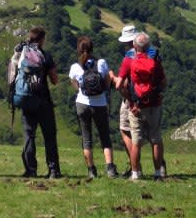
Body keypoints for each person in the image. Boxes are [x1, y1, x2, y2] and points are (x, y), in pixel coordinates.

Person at [115, 31, 167, 181]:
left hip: (136, 107)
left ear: (134, 45)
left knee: (136, 141)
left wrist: (130, 102)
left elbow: (119, 85)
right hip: (154, 105)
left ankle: (136, 174)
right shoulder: (155, 58)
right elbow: (164, 82)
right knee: (155, 140)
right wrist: (157, 93)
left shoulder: (129, 60)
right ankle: (158, 174)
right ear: (149, 45)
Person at [12, 26, 61, 179]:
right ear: (41, 40)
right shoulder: (45, 55)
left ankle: (30, 170)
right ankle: (53, 170)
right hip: (43, 101)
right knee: (49, 136)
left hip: (26, 99)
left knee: (29, 135)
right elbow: (54, 80)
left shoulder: (21, 54)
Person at [68, 35, 118, 178]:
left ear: (78, 50)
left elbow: (75, 85)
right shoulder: (101, 63)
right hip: (100, 103)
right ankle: (110, 168)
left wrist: (81, 91)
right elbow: (108, 82)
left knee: (86, 138)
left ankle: (91, 170)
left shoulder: (75, 67)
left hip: (82, 104)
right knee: (104, 136)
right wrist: (102, 91)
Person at [109, 24, 138, 177]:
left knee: (125, 131)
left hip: (130, 100)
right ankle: (160, 168)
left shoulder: (128, 58)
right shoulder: (151, 53)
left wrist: (112, 77)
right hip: (150, 100)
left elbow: (121, 84)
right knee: (154, 136)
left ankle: (135, 167)